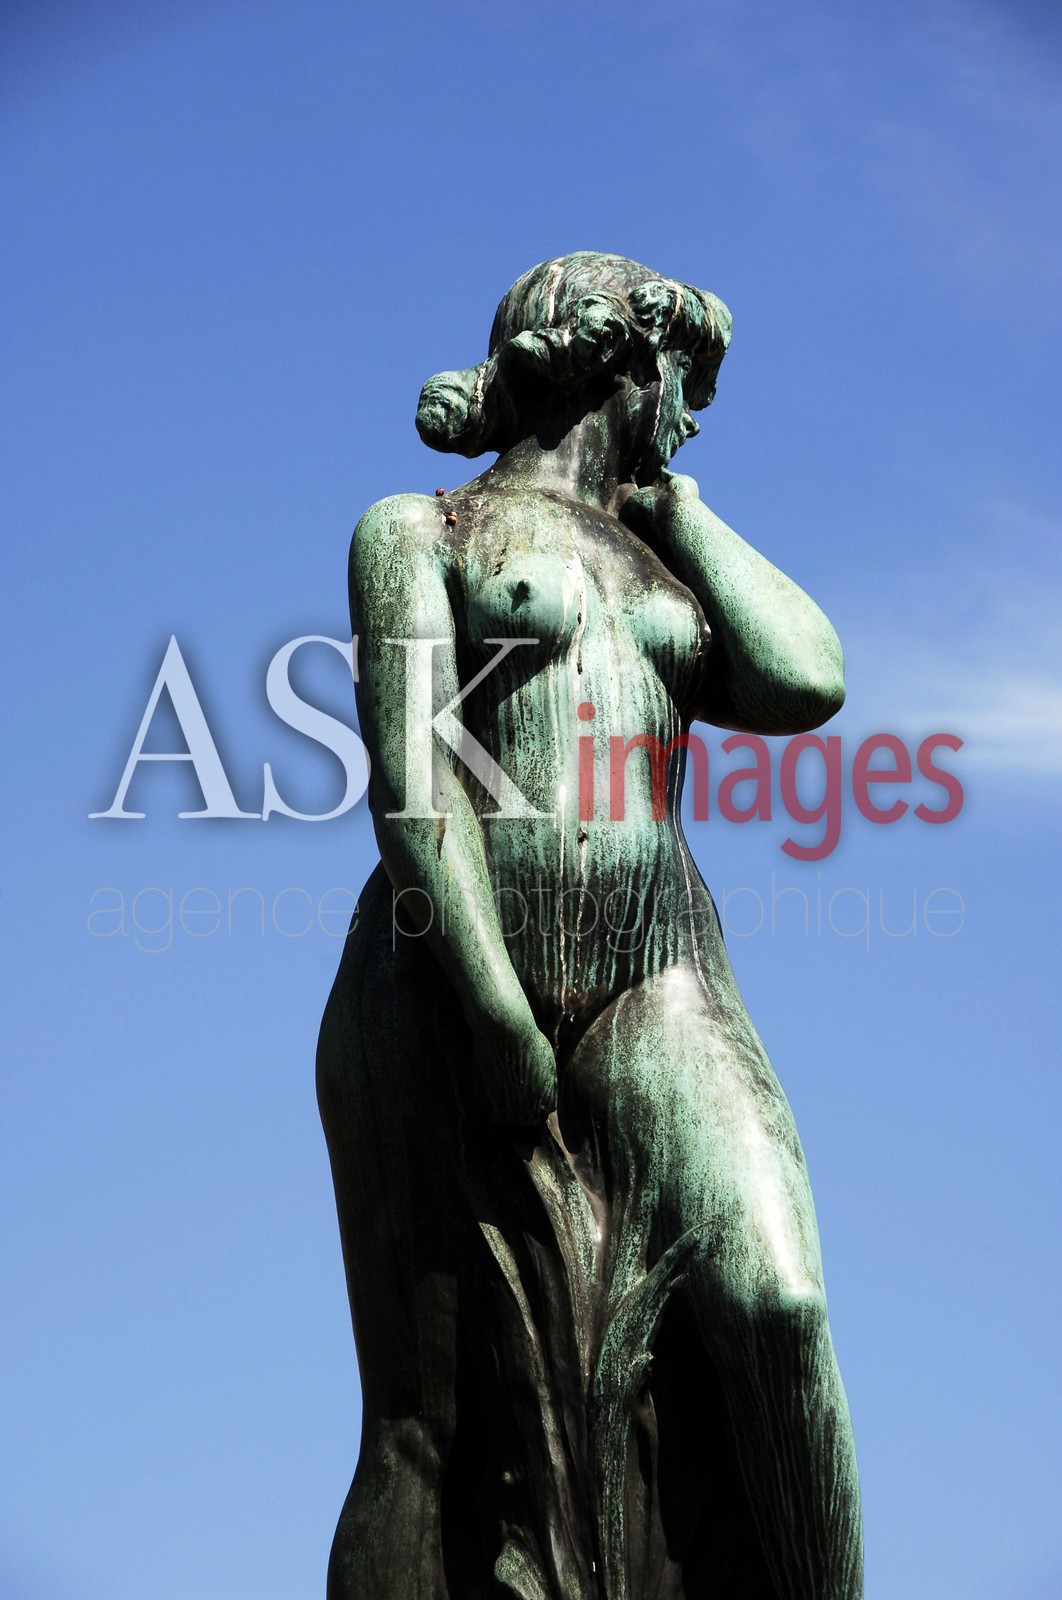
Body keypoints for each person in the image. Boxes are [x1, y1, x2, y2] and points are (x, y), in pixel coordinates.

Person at [317, 252, 863, 1599]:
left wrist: (689, 515)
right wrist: (491, 1005)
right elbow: (412, 778)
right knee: (424, 1423)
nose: (694, 416)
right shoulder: (420, 529)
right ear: (624, 364)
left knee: (779, 1305)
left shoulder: (662, 555)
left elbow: (806, 680)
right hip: (439, 976)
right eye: (689, 384)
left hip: (655, 975)